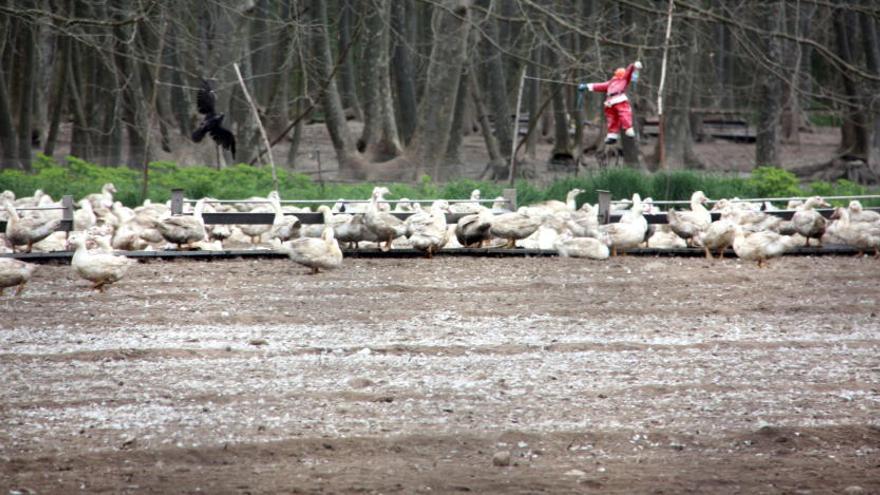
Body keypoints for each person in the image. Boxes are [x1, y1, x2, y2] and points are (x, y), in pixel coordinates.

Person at [578, 61, 642, 145]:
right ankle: (612, 136)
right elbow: (599, 86)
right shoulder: (611, 82)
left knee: (624, 114)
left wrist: (633, 66)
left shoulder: (624, 79)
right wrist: (586, 86)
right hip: (610, 102)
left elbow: (629, 72)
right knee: (612, 118)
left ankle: (628, 128)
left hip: (619, 99)